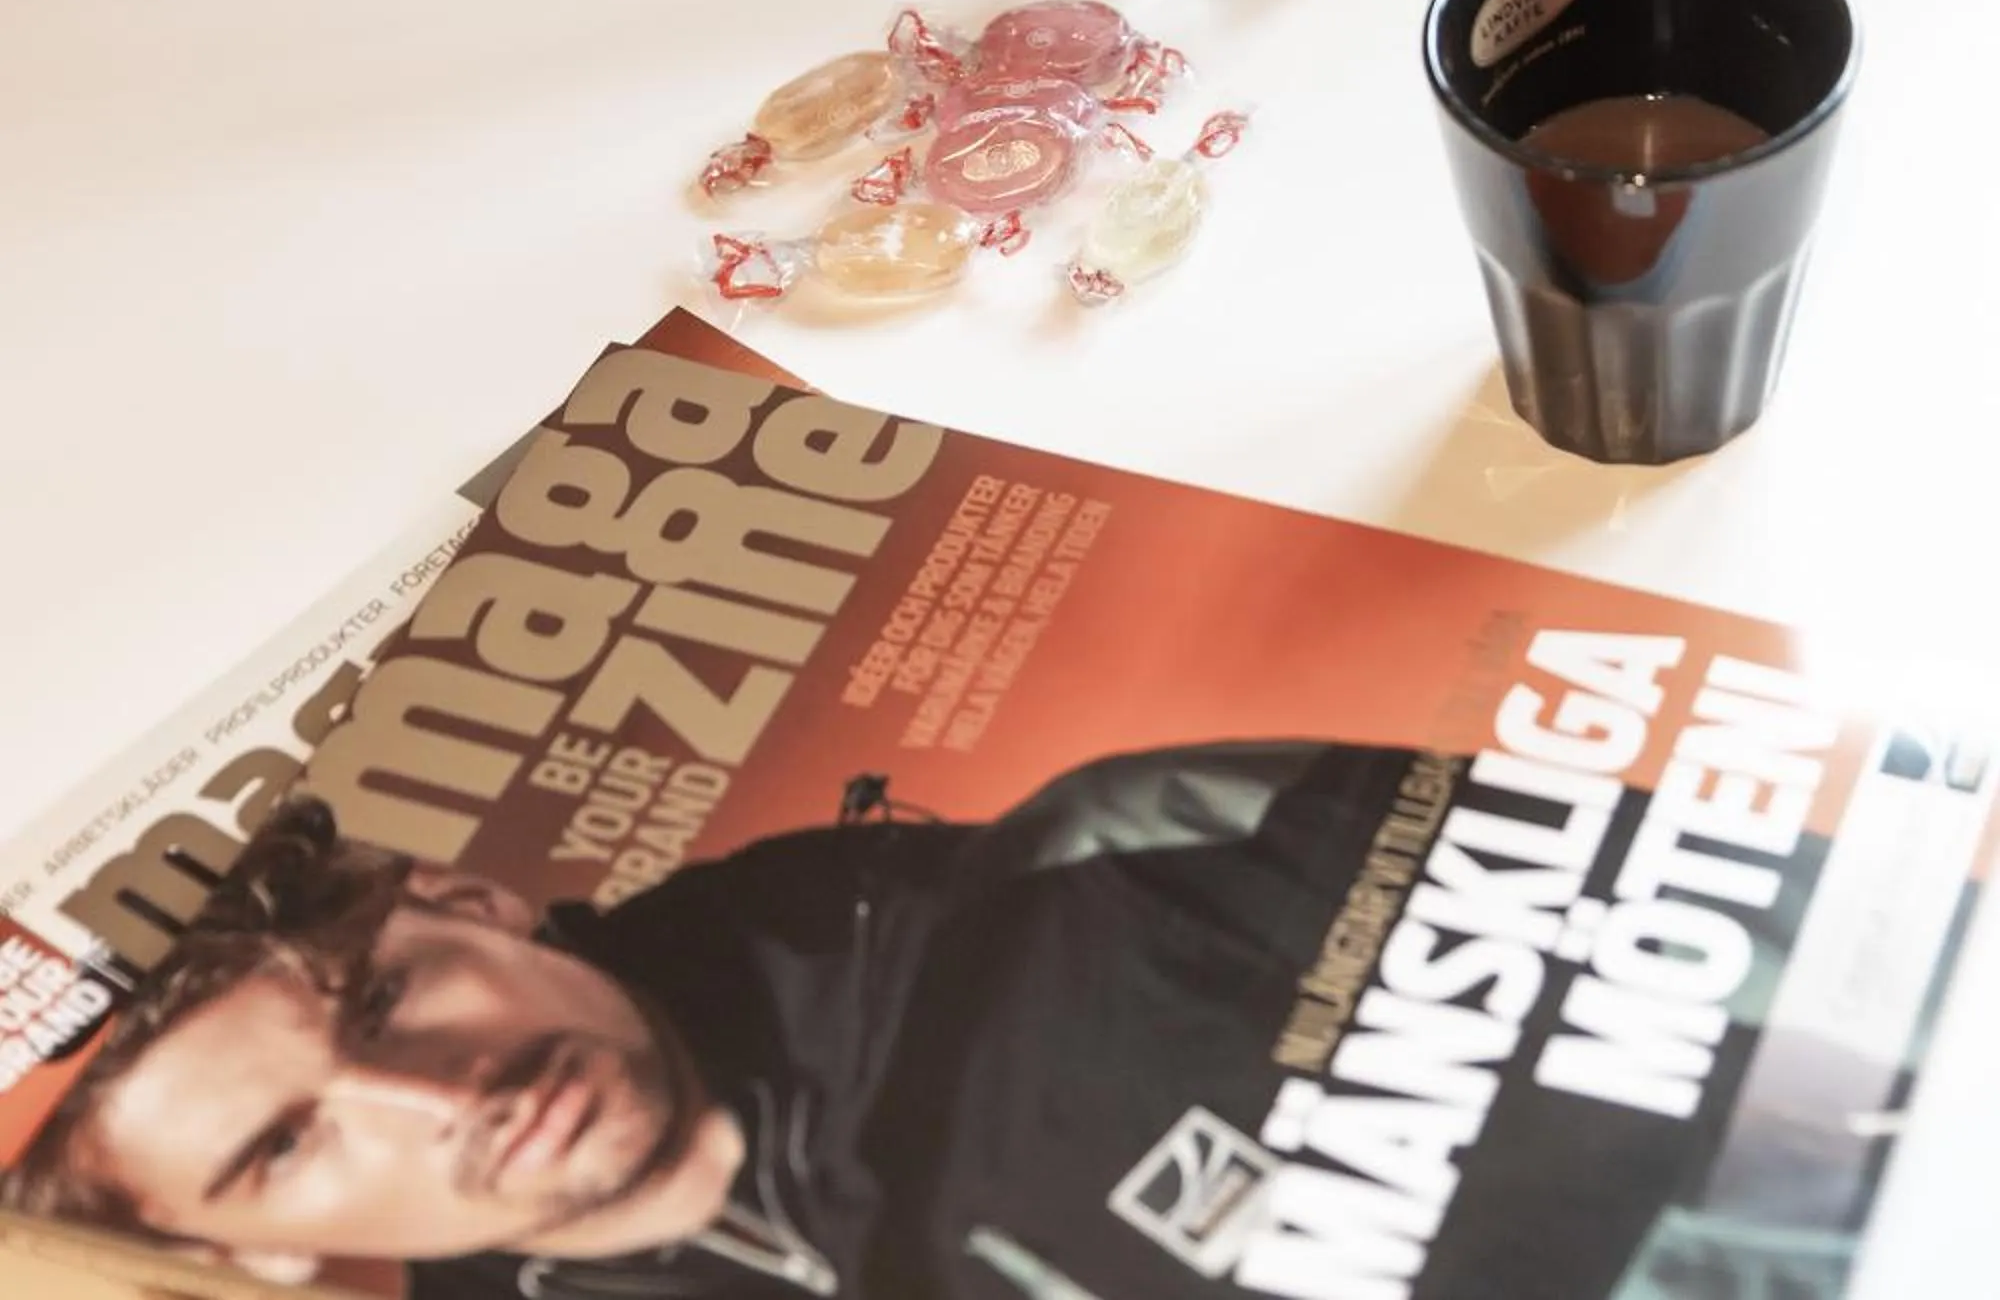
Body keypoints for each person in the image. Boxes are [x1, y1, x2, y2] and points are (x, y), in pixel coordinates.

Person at [5, 739, 1715, 1296]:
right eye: (288, 1142)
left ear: (468, 901)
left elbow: (1807, 1008)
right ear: (248, 1261)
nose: (437, 1094)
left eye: (383, 998)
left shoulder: (1103, 863)